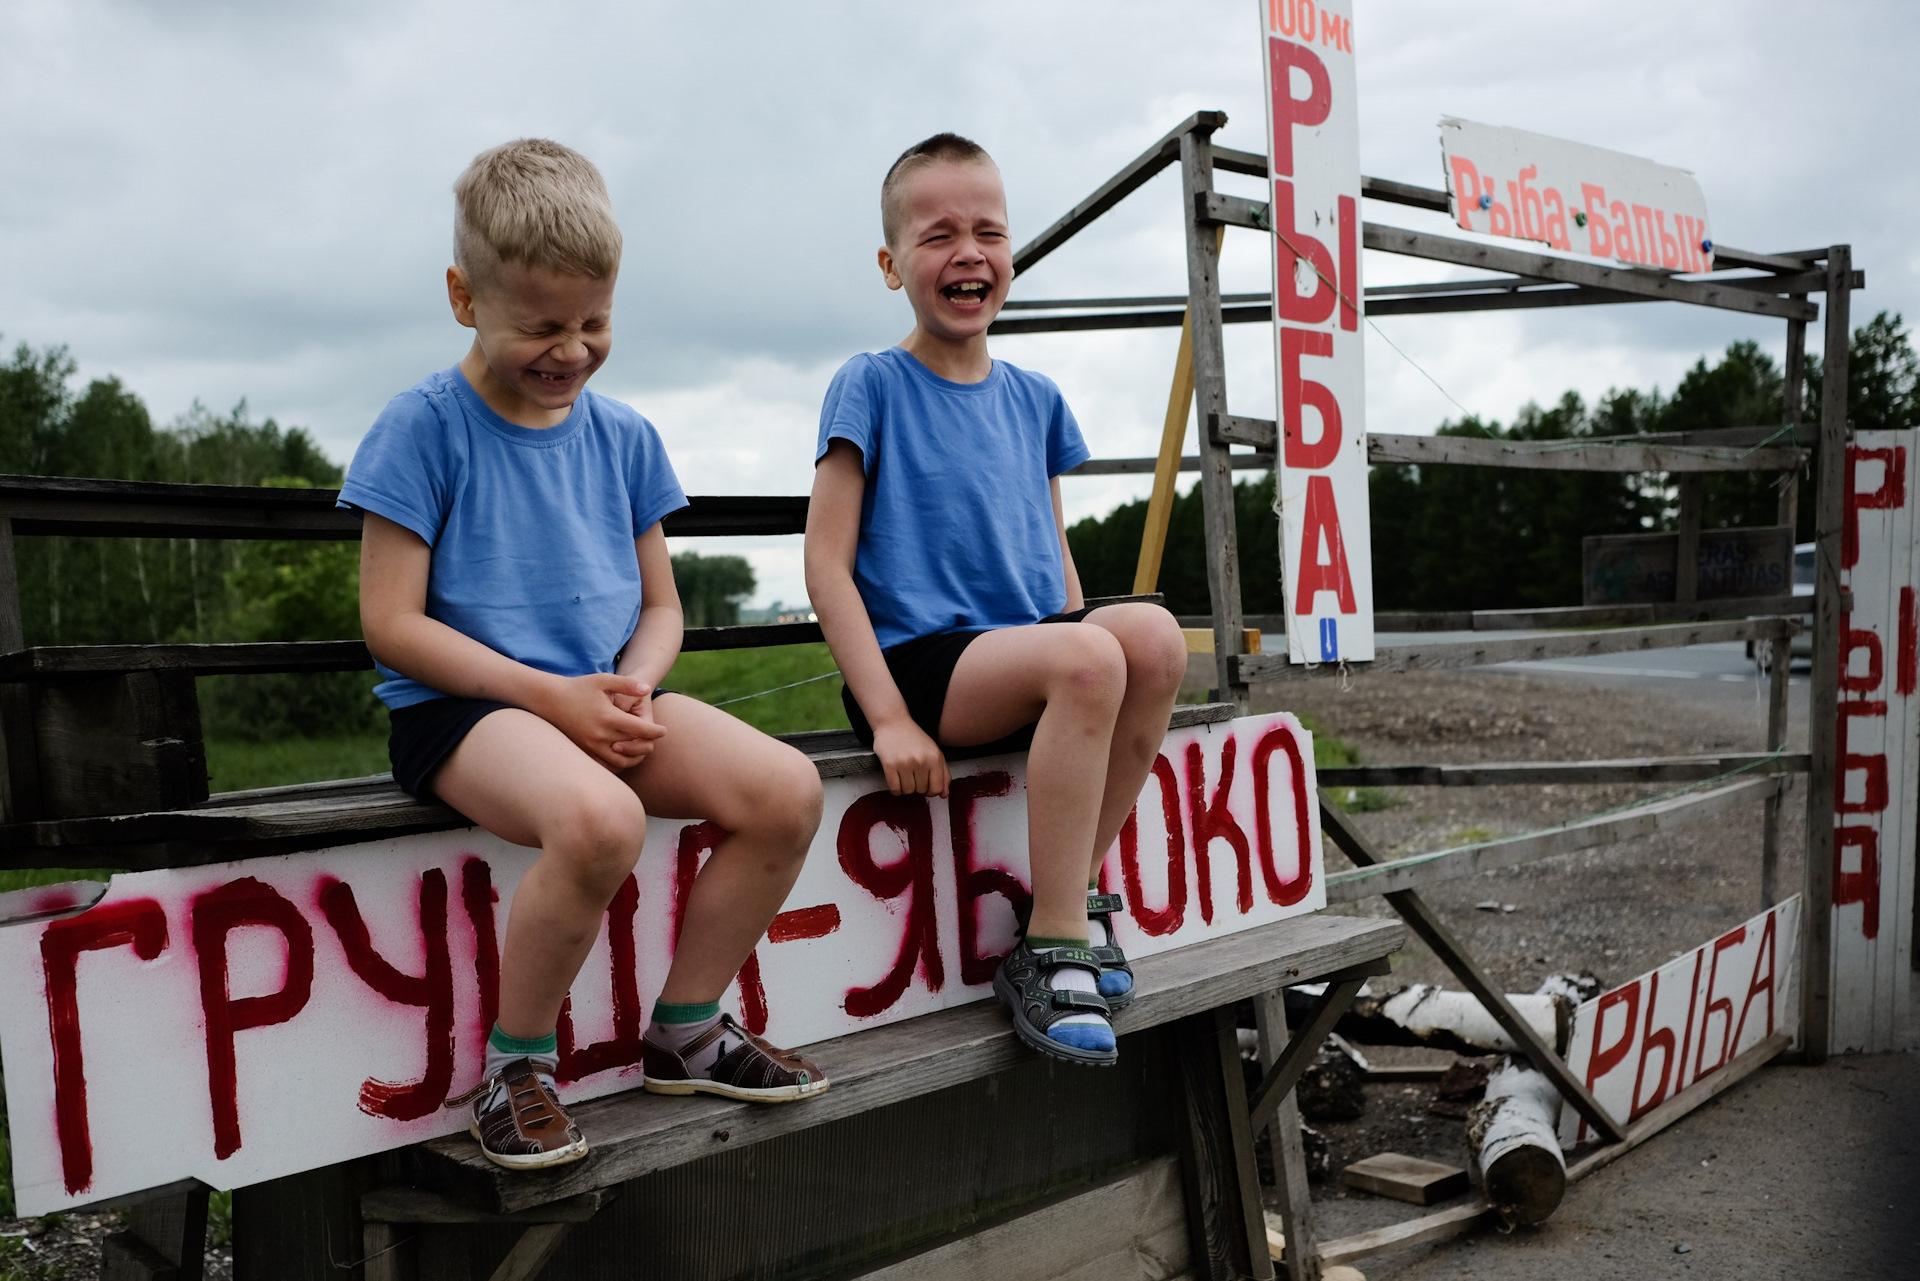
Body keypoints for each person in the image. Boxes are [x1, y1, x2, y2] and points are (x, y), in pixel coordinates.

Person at [341, 138, 828, 1171]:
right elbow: (394, 624)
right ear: (462, 296)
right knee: (602, 821)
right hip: (465, 711)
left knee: (786, 788)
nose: (571, 350)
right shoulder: (420, 428)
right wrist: (552, 700)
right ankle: (517, 1067)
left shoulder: (626, 437)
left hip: (601, 700)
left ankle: (689, 1028)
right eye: (541, 326)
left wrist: (633, 685)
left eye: (595, 322)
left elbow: (662, 608)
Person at [804, 133, 1187, 1067]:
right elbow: (825, 565)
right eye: (938, 235)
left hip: (1026, 653)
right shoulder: (871, 383)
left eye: (989, 232)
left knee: (1156, 636)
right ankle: (1049, 950)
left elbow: (1053, 553)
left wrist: (1092, 663)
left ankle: (1076, 894)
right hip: (920, 668)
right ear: (893, 265)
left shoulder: (1036, 397)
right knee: (1093, 652)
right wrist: (889, 718)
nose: (967, 252)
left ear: (1011, 256)